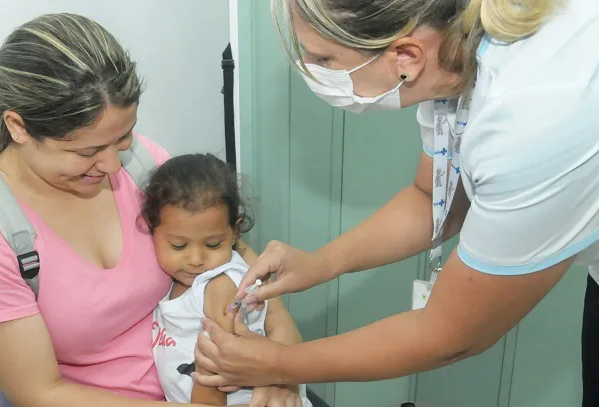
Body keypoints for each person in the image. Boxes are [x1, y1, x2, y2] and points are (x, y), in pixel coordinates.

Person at [192, 0, 599, 405]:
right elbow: (434, 199)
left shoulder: (534, 121)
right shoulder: (451, 54)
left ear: (406, 56)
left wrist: (281, 364)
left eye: (322, 58)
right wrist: (321, 263)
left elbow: (450, 335)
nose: (311, 70)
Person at [0, 13, 303, 407]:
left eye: (122, 137)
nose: (110, 166)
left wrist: (283, 366)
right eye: (86, 151)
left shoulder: (141, 165)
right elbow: (40, 392)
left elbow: (234, 255)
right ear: (18, 127)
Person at [142, 153, 311, 407]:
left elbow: (215, 367)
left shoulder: (218, 284)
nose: (196, 259)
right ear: (152, 230)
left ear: (235, 231)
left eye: (213, 244)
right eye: (179, 245)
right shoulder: (176, 285)